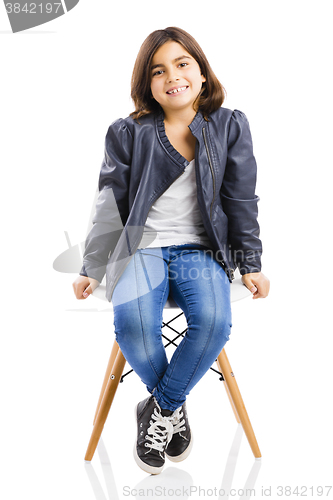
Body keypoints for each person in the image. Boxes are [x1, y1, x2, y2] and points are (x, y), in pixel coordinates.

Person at [72, 27, 270, 475]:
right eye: (158, 71)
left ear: (201, 72)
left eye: (182, 64)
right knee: (134, 326)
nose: (172, 77)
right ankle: (173, 410)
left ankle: (158, 409)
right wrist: (92, 266)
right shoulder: (127, 132)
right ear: (147, 84)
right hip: (141, 249)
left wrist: (251, 263)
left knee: (215, 322)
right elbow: (110, 202)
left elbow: (242, 198)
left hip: (202, 251)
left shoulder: (229, 124)